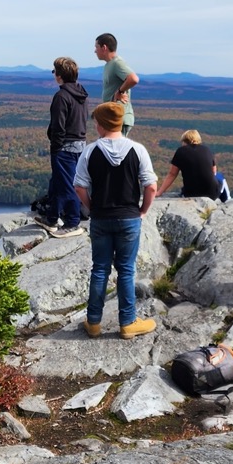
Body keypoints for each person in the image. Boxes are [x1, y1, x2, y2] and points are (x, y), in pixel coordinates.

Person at [74, 101, 158, 339]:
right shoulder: (138, 150)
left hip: (101, 218)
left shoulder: (90, 151)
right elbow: (150, 186)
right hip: (129, 218)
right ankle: (128, 323)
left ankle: (93, 323)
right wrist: (142, 210)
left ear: (100, 125)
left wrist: (91, 208)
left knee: (99, 269)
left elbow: (79, 187)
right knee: (126, 270)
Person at [41, 56, 89, 237]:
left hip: (64, 147)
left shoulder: (61, 96)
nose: (54, 75)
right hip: (80, 145)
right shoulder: (81, 93)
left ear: (59, 75)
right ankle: (51, 218)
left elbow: (58, 127)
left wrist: (55, 148)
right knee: (57, 182)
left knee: (67, 185)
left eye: (55, 72)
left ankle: (72, 223)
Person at [94, 33, 139, 135]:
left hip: (118, 118)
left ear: (104, 47)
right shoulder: (109, 64)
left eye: (96, 47)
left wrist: (120, 91)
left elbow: (133, 79)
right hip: (112, 118)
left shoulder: (117, 63)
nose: (95, 51)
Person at [154, 129, 219, 198]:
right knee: (220, 177)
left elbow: (172, 174)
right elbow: (213, 172)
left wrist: (159, 192)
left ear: (185, 141)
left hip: (191, 193)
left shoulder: (181, 151)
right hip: (212, 193)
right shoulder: (206, 149)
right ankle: (226, 201)